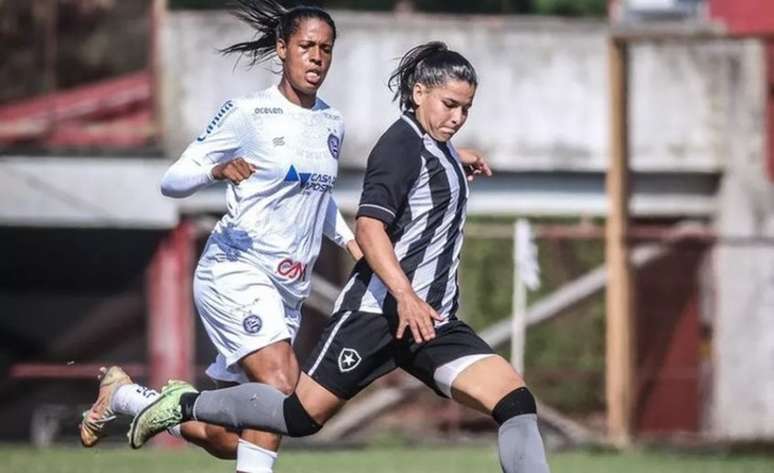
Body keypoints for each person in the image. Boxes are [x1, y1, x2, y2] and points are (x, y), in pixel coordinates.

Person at [126, 41, 551, 473]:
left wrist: (456, 160)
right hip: (377, 315)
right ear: (419, 92)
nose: (457, 118)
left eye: (466, 109)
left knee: (515, 402)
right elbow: (369, 227)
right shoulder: (399, 145)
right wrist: (403, 294)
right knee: (297, 416)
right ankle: (183, 403)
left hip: (431, 322)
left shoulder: (434, 145)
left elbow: (427, 167)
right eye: (450, 105)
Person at [79, 2, 361, 472]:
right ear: (282, 49)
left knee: (237, 435)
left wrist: (355, 246)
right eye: (306, 46)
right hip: (235, 273)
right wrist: (215, 170)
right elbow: (172, 179)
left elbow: (318, 197)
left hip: (286, 291)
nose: (316, 57)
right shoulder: (248, 113)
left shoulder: (331, 123)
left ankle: (128, 398)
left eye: (325, 49)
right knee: (281, 386)